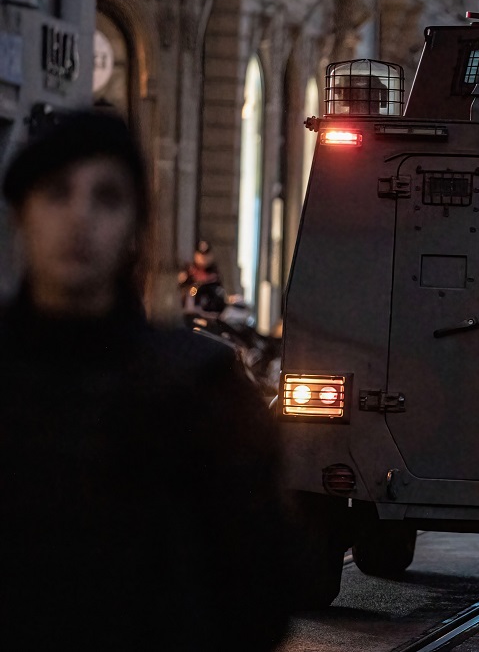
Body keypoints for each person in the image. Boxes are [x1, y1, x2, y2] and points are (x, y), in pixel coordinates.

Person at [0, 110, 290, 650]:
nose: (80, 218)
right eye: (58, 193)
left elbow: (257, 587)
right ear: (24, 213)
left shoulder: (197, 387)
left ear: (136, 226)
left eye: (107, 198)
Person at [179, 238, 228, 313]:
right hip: (191, 310)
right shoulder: (189, 270)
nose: (203, 258)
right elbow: (181, 285)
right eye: (201, 255)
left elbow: (220, 291)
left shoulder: (214, 272)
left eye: (206, 255)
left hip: (210, 311)